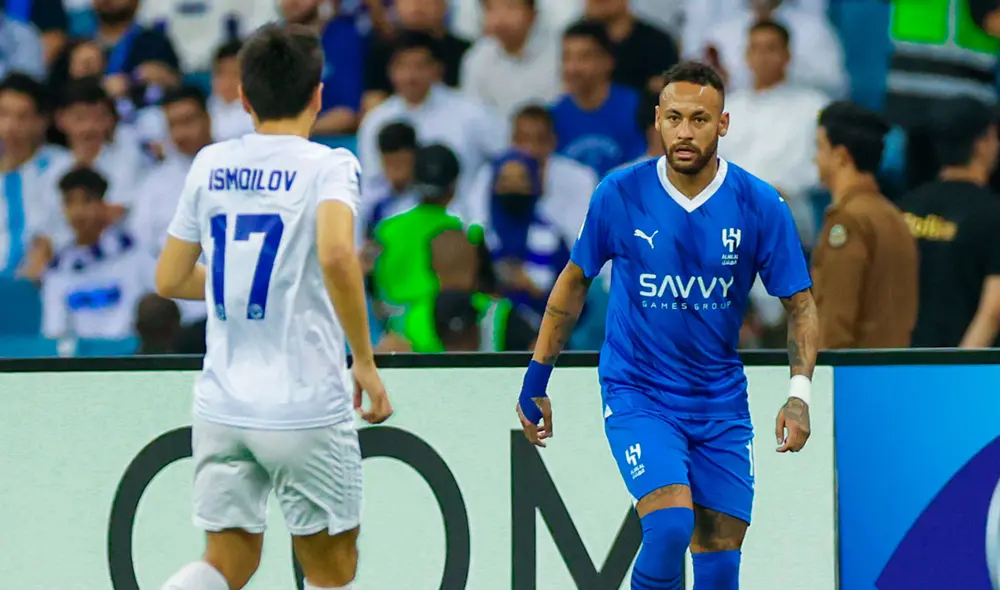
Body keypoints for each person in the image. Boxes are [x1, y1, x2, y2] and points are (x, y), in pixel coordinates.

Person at [515, 62, 818, 590]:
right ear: (657, 120)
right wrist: (535, 383)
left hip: (719, 400)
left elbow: (801, 305)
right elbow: (572, 285)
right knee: (670, 524)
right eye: (673, 117)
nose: (684, 131)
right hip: (639, 391)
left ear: (722, 124)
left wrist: (799, 395)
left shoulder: (760, 204)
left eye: (699, 119)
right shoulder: (620, 193)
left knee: (721, 556)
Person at [154, 24, 392, 590]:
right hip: (303, 402)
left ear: (242, 96)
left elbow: (169, 277)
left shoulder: (210, 163)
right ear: (318, 94)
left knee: (227, 561)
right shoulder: (328, 165)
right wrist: (363, 357)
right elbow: (337, 255)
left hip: (223, 402)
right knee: (332, 569)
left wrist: (234, 287)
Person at [811, 101, 918, 349]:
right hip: (887, 372)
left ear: (840, 156)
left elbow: (835, 320)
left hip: (850, 379)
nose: (815, 159)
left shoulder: (849, 221)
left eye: (820, 148)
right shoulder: (893, 215)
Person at [899, 97, 1000, 348]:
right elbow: (993, 311)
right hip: (965, 373)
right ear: (983, 142)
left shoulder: (903, 208)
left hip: (901, 366)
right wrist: (955, 368)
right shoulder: (994, 214)